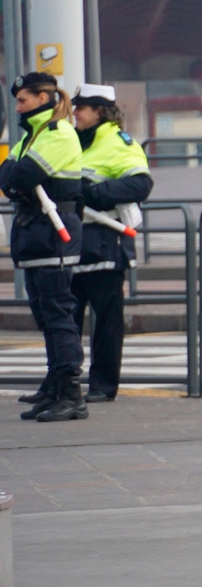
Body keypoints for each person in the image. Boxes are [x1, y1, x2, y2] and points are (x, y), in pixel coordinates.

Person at [2, 73, 86, 422]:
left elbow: (18, 178)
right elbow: (7, 177)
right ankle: (54, 387)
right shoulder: (31, 135)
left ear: (42, 98)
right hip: (35, 231)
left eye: (23, 100)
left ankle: (71, 393)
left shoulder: (57, 133)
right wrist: (14, 179)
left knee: (57, 314)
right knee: (45, 314)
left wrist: (15, 179)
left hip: (53, 232)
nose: (18, 106)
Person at [69, 84, 153, 403]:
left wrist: (94, 195)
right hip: (71, 244)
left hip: (104, 243)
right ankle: (64, 383)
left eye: (83, 107)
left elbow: (140, 183)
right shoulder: (72, 140)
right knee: (67, 318)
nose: (76, 112)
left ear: (100, 112)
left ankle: (103, 386)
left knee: (106, 321)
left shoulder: (119, 142)